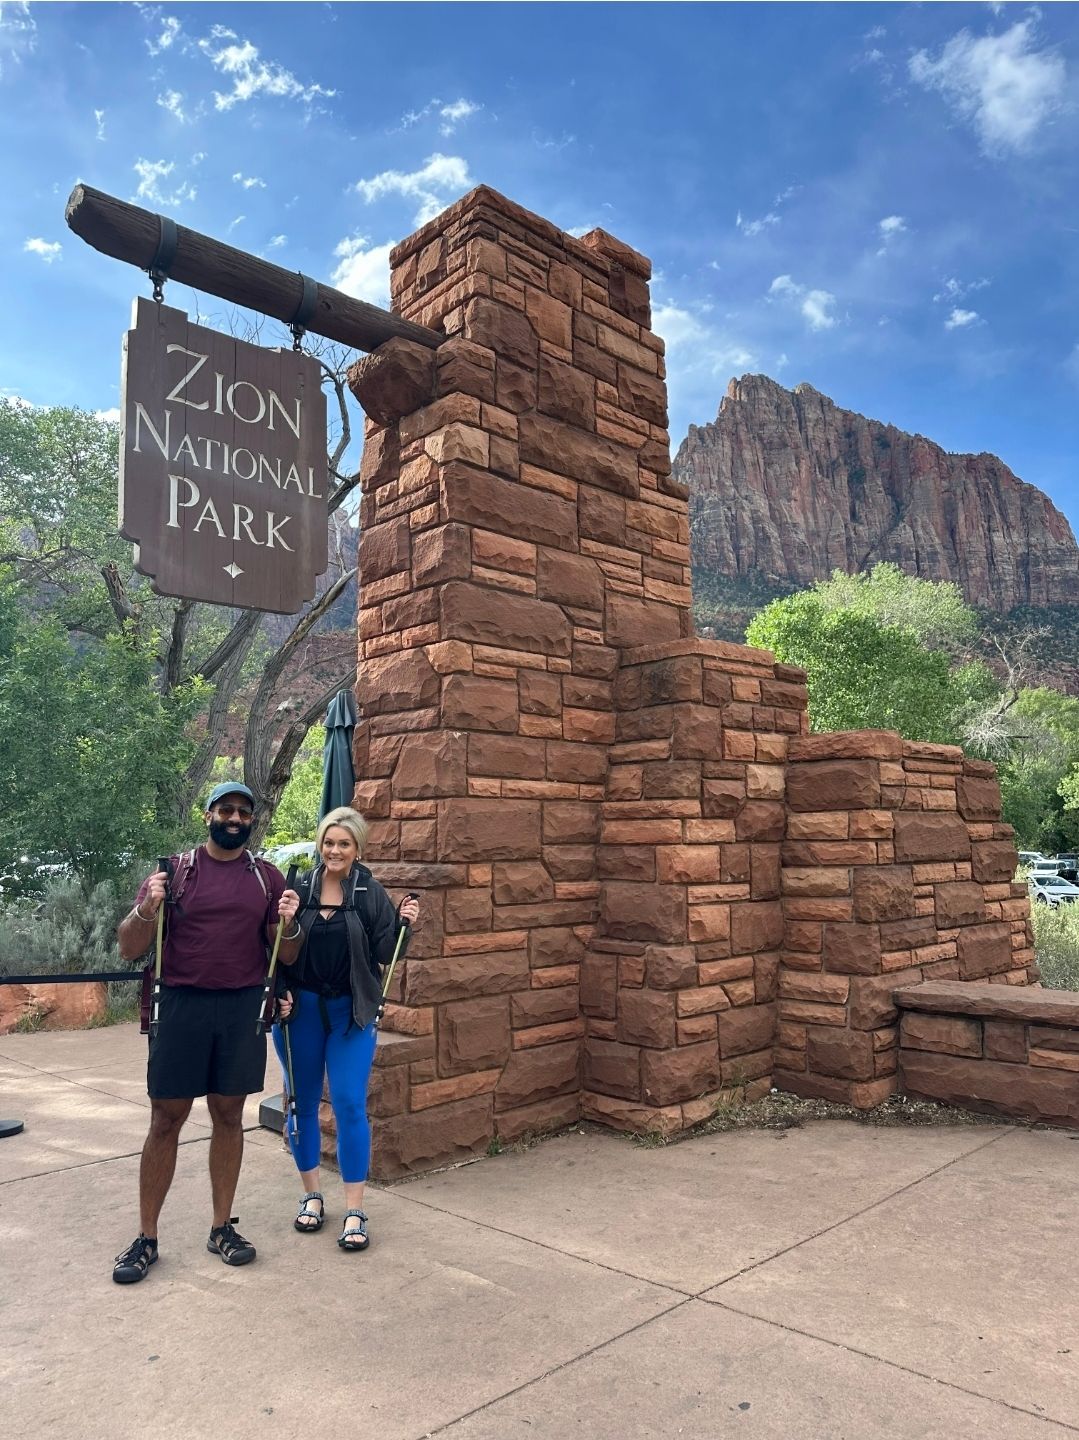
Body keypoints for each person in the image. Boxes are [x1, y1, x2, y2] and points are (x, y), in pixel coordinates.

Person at [111, 782, 302, 1284]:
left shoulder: (266, 878)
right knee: (165, 1120)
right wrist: (148, 908)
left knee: (228, 1116)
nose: (235, 818)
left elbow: (286, 954)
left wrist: (292, 923)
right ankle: (147, 1237)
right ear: (208, 814)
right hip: (180, 1006)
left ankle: (222, 1227)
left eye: (243, 811)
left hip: (241, 1009)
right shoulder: (173, 872)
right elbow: (130, 947)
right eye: (226, 809)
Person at [274, 805, 420, 1252]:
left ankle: (355, 1208)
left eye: (344, 843)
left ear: (357, 848)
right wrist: (279, 985)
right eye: (329, 842)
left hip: (350, 1014)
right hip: (298, 1012)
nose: (334, 850)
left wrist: (403, 927)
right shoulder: (298, 885)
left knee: (350, 1104)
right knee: (300, 1103)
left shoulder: (369, 891)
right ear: (320, 844)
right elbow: (274, 948)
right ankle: (311, 1195)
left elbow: (384, 950)